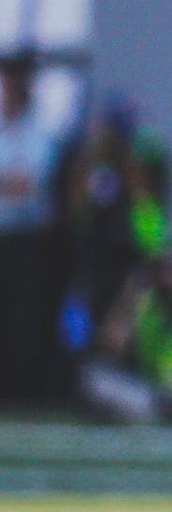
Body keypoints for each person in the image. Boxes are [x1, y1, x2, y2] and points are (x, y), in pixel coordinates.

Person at [0, 53, 71, 406]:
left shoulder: (41, 132)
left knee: (24, 317)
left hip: (27, 240)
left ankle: (24, 392)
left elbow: (29, 185)